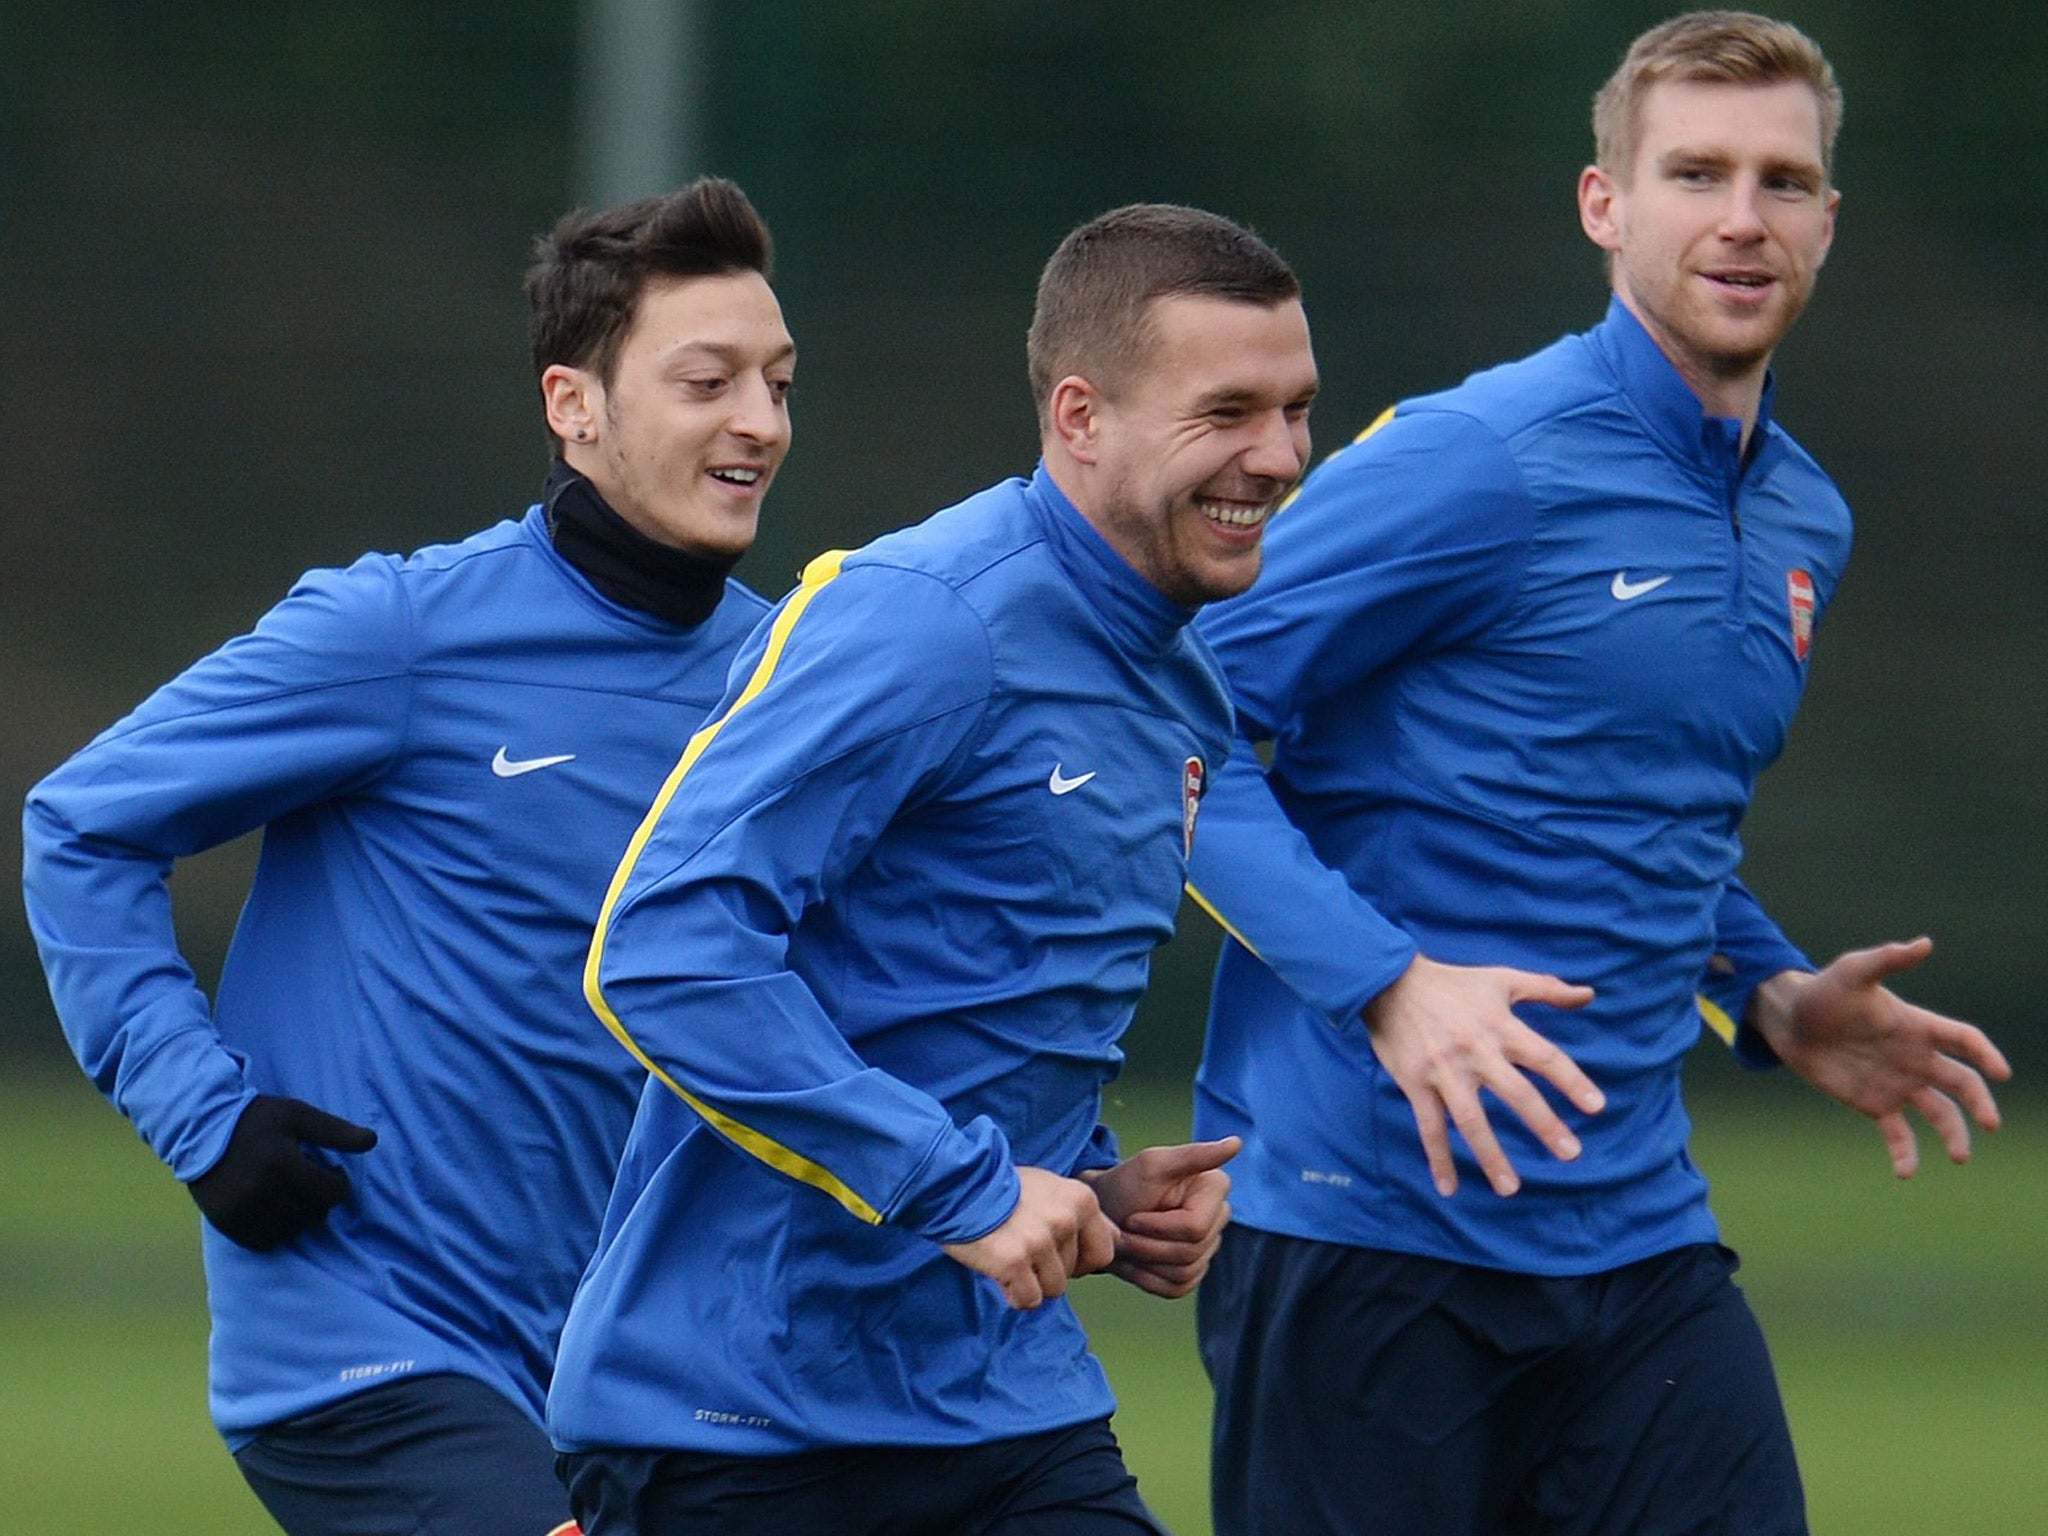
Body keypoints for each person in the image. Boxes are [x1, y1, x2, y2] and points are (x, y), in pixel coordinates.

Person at [1182, 13, 2012, 1536]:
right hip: (1365, 1239)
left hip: (1636, 1249)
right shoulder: (1476, 458)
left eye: (1784, 179)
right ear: (1605, 205)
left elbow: (1621, 816)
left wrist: (1767, 992)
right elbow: (1173, 733)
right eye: (1696, 171)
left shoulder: (1804, 520)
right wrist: (1389, 983)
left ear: (1830, 220)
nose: (1743, 217)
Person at [22, 177, 796, 1536]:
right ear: (575, 406)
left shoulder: (793, 681)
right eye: (709, 380)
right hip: (366, 1353)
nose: (760, 423)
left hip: (644, 1374)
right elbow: (81, 829)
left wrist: (1065, 1178)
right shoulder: (396, 633)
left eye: (780, 383)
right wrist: (207, 1120)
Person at [545, 202, 1318, 1534]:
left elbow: (968, 982)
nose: (1281, 456)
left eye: (1298, 410)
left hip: (1005, 1400)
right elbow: (665, 950)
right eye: (1229, 412)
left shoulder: (1185, 691)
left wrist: (1091, 1192)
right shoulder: (927, 620)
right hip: (742, 1418)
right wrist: (960, 1185)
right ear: (1080, 417)